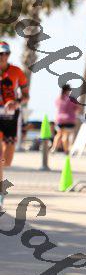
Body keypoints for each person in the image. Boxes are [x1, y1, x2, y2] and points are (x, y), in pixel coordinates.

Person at [0, 41, 29, 206]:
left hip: (10, 117)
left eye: (6, 53)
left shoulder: (17, 71)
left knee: (7, 160)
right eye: (0, 53)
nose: (3, 56)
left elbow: (26, 95)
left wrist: (16, 103)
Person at [51, 85, 81, 154]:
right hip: (69, 119)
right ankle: (66, 150)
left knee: (59, 134)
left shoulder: (58, 98)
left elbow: (57, 107)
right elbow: (78, 108)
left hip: (60, 119)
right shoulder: (72, 99)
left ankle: (54, 148)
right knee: (66, 135)